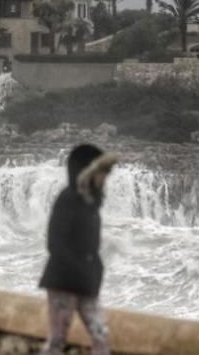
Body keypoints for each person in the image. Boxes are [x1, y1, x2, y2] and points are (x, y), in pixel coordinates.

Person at [38, 144, 118, 355]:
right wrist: (80, 269)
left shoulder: (90, 202)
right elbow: (54, 243)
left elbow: (91, 247)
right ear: (87, 172)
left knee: (101, 336)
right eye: (101, 173)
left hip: (85, 285)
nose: (104, 179)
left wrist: (95, 272)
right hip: (62, 283)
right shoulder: (68, 199)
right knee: (57, 341)